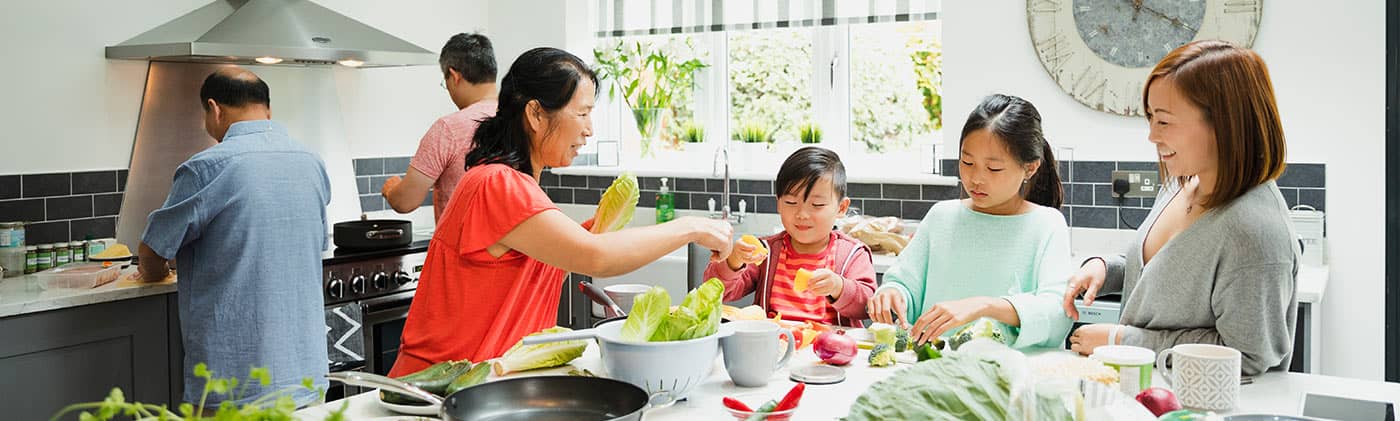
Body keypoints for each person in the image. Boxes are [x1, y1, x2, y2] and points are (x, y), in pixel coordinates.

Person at [389, 48, 734, 376]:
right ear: (536, 114)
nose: (590, 129)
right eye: (582, 113)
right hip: (437, 393)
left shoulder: (511, 186)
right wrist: (690, 227)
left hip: (481, 386)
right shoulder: (496, 184)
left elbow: (582, 246)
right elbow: (596, 256)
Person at [1062, 40, 1299, 375]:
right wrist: (1105, 268)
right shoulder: (1183, 182)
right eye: (1150, 119)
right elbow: (1162, 270)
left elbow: (1247, 356)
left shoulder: (1253, 232)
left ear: (1223, 123)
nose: (1152, 136)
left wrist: (1121, 340)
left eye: (1165, 122)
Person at [136, 67, 330, 406]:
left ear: (214, 108)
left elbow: (152, 253)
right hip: (307, 374)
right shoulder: (312, 162)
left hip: (235, 383)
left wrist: (157, 273)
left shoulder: (205, 168)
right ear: (268, 110)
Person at [869, 94, 1073, 349]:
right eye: (967, 162)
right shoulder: (941, 217)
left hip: (1009, 377)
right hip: (934, 369)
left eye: (993, 169)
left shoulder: (1046, 225)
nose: (976, 178)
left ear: (1030, 168)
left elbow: (1057, 314)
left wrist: (984, 306)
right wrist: (892, 295)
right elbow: (903, 285)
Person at [705, 146, 876, 327]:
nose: (802, 214)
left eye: (817, 205)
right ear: (778, 203)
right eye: (791, 202)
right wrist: (734, 260)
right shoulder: (766, 251)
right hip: (774, 346)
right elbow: (719, 292)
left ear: (841, 208)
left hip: (829, 350)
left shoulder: (853, 254)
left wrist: (838, 287)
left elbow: (866, 307)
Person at [381, 33, 498, 220]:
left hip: (462, 247)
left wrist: (392, 189)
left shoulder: (449, 129)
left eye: (446, 83)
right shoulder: (519, 119)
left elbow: (405, 201)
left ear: (454, 76)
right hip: (512, 247)